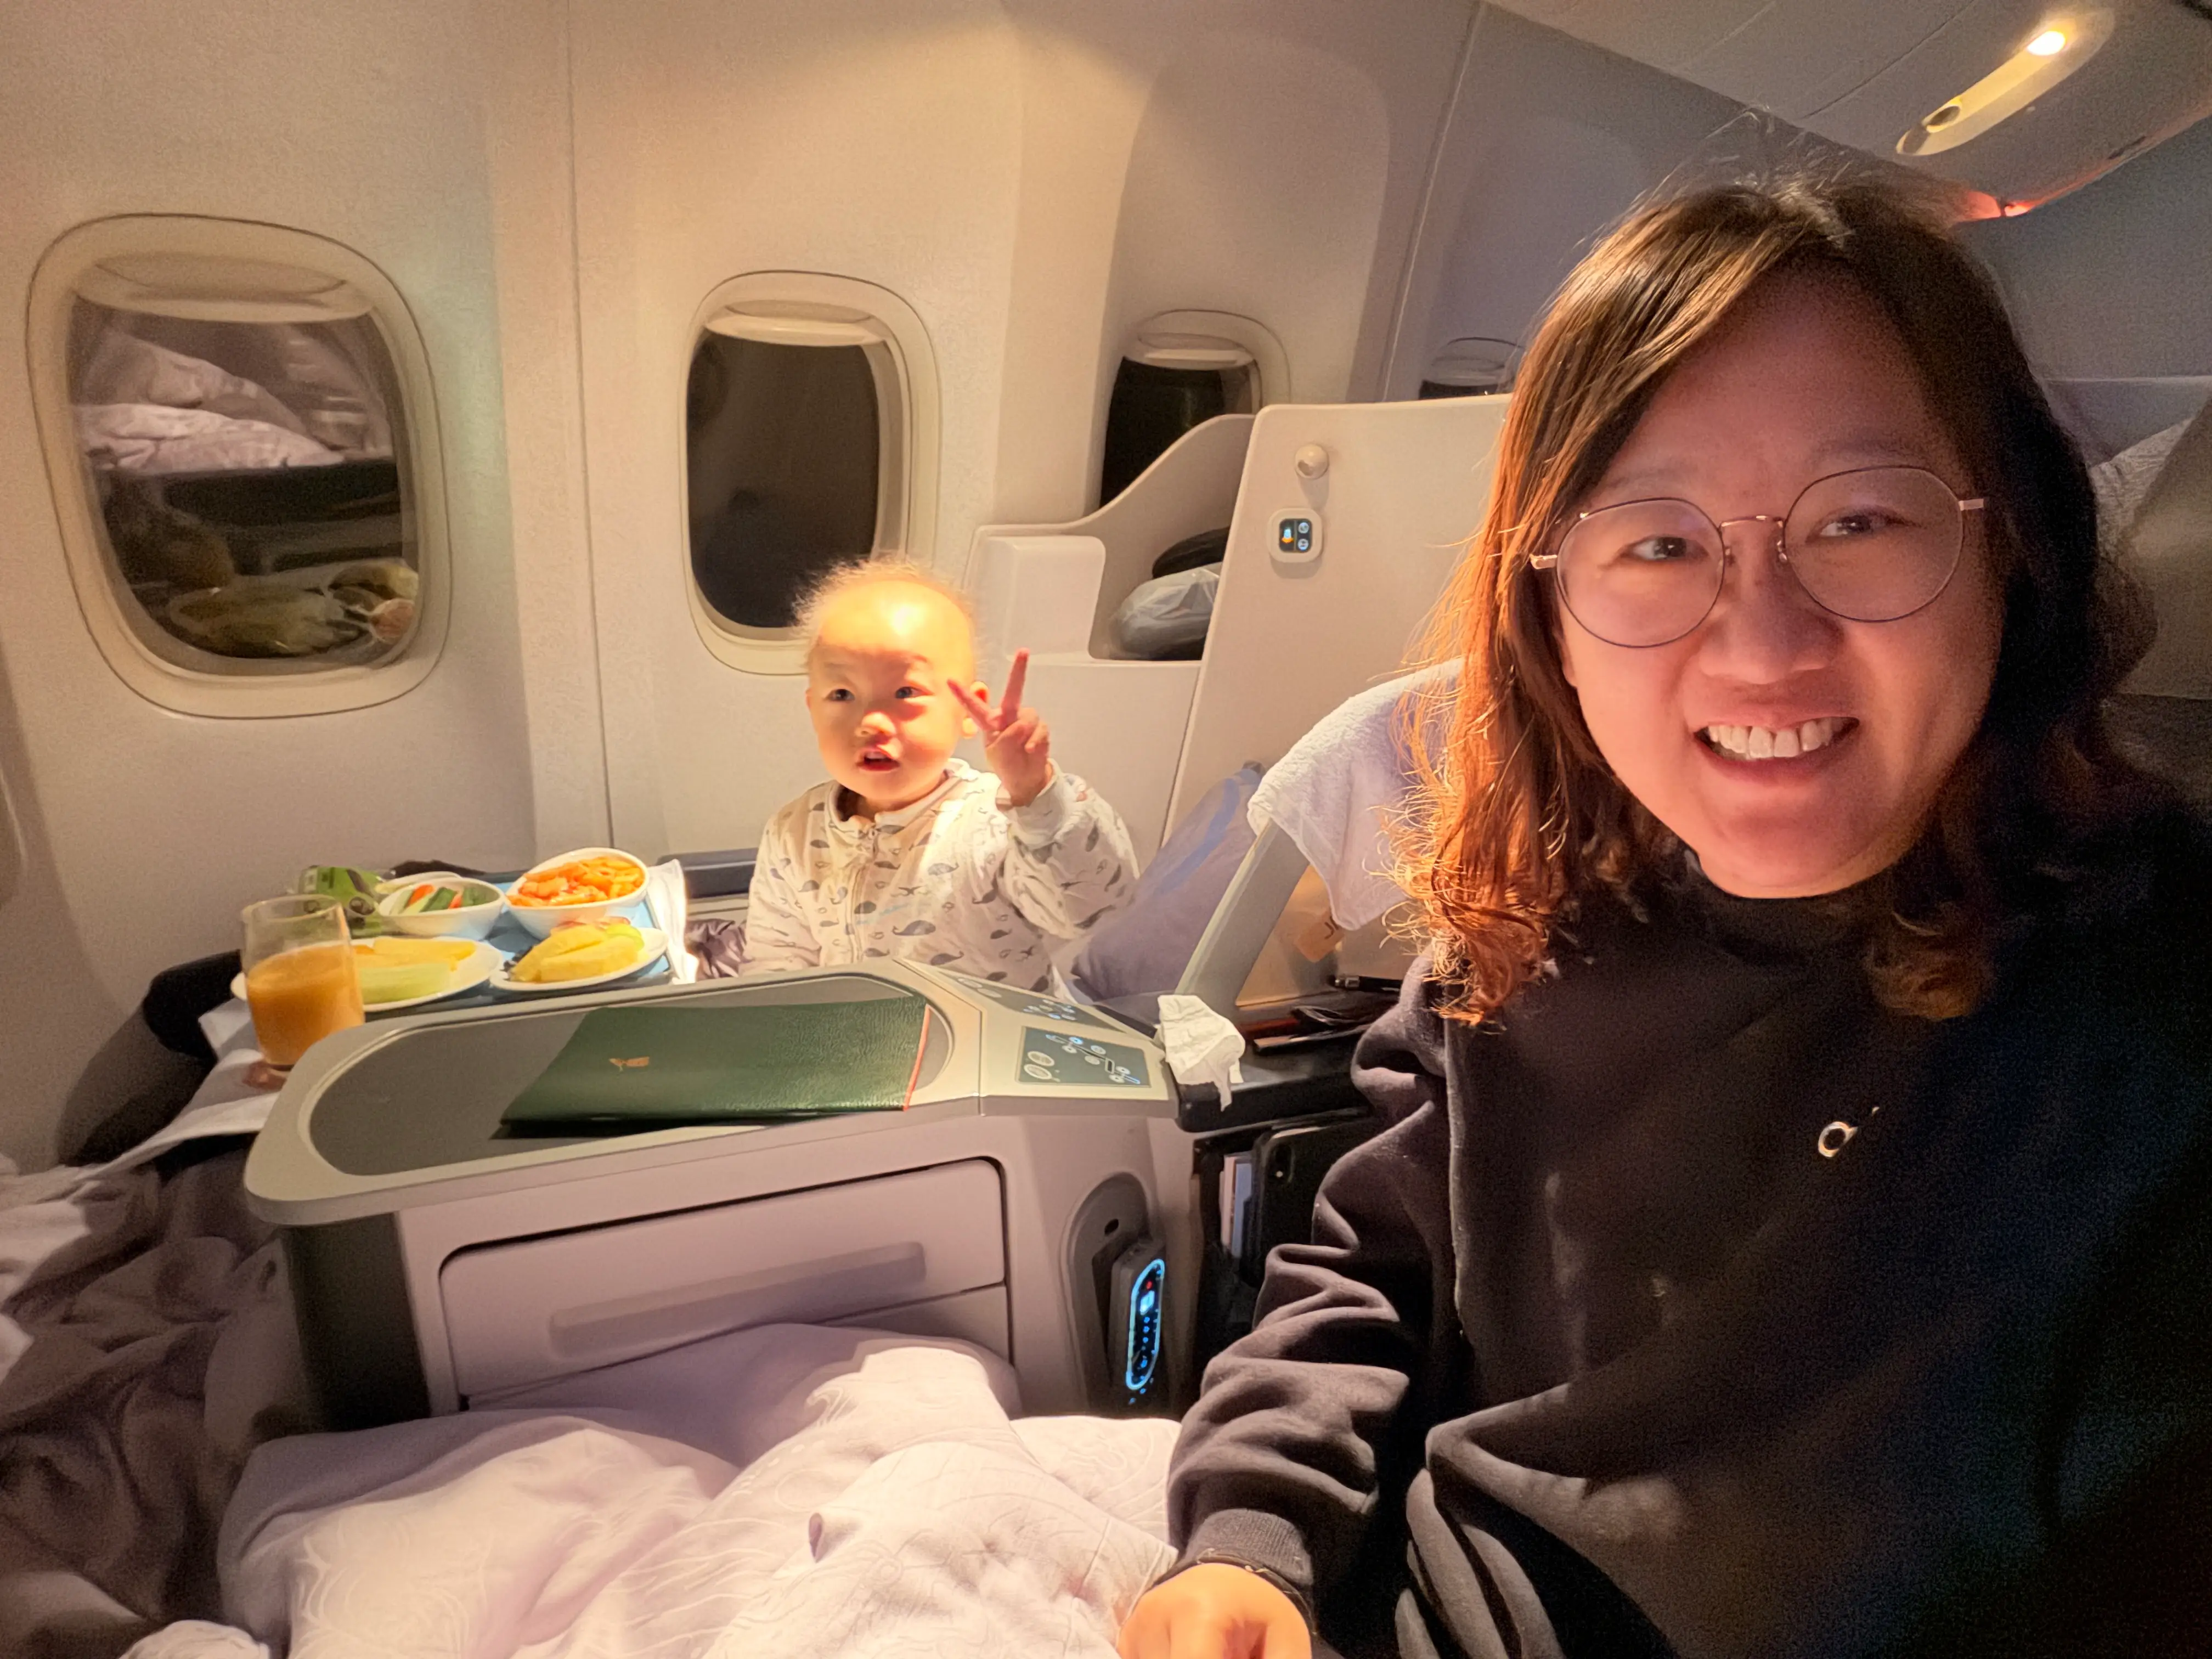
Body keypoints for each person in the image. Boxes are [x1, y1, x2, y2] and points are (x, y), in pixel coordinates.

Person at [1120, 175, 2212, 1659]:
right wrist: (1251, 1543)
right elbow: (1371, 1275)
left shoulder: (2157, 1017)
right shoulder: (1508, 948)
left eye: (1861, 520)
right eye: (1659, 542)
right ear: (1550, 613)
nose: (1762, 643)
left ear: (2010, 556)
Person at [726, 563, 1136, 988]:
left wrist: (1037, 797)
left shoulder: (992, 824)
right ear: (813, 709)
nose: (871, 722)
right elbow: (779, 959)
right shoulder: (792, 831)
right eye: (842, 694)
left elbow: (1089, 908)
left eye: (906, 692)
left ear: (966, 710)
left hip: (990, 1038)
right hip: (863, 1038)